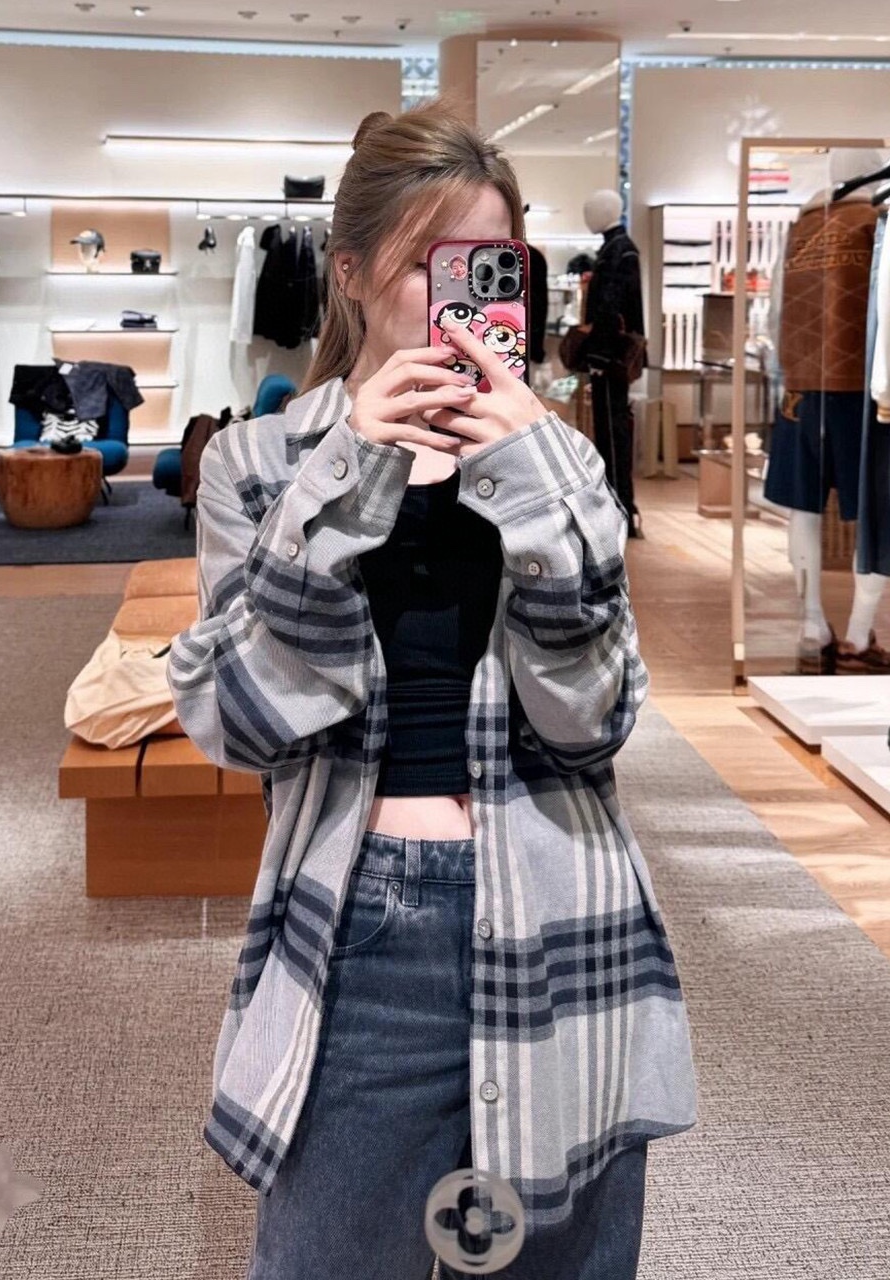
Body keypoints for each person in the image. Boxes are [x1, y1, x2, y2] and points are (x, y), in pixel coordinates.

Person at [168, 99, 697, 1280]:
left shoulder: (560, 461)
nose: (462, 300)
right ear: (352, 273)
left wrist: (533, 485)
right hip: (359, 926)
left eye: (490, 266)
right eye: (428, 265)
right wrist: (347, 479)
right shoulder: (261, 464)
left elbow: (593, 725)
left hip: (566, 915)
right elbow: (235, 725)